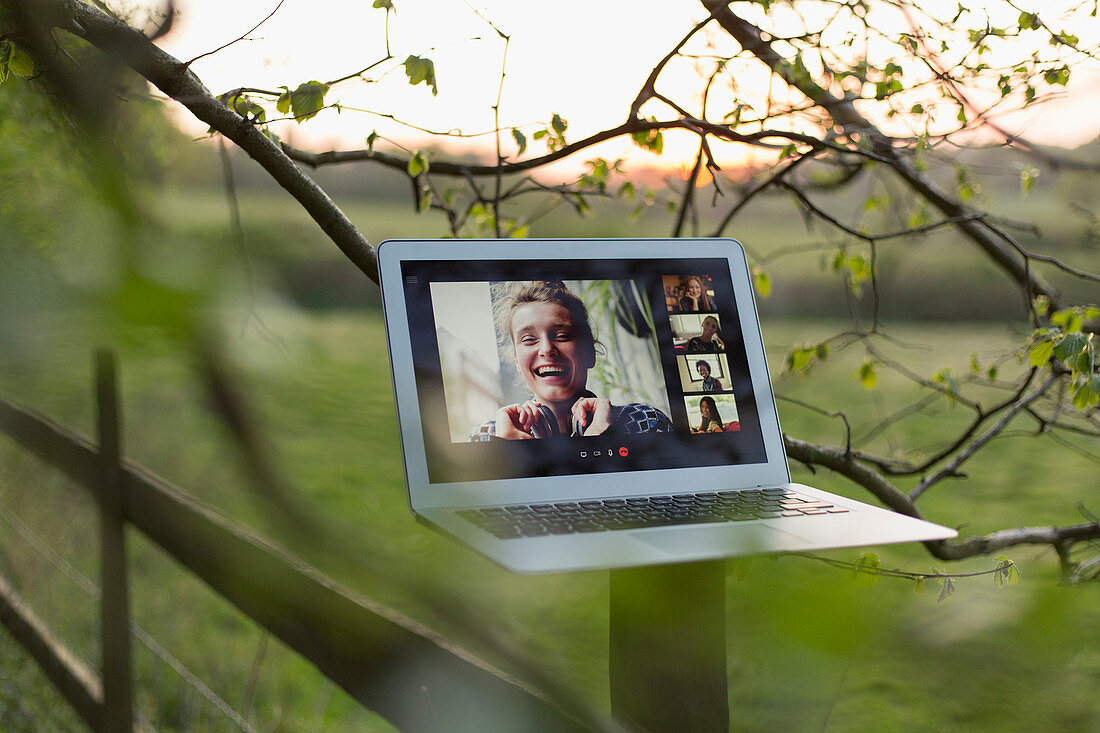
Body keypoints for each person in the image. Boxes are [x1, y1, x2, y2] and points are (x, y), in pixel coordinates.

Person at [468, 280, 673, 440]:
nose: (547, 349)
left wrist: (602, 442)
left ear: (590, 354)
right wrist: (512, 455)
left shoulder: (646, 423)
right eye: (529, 339)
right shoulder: (486, 438)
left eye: (562, 336)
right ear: (517, 363)